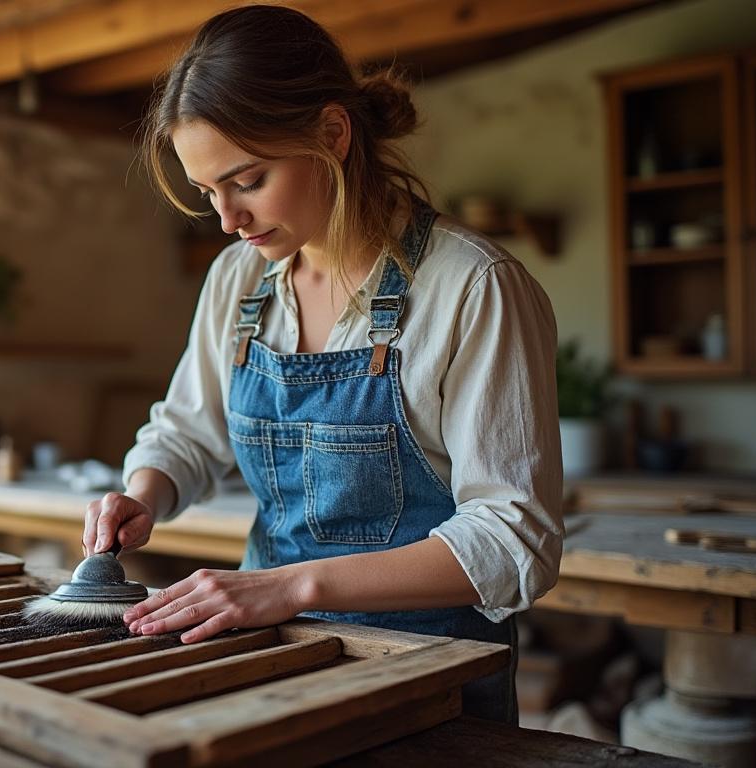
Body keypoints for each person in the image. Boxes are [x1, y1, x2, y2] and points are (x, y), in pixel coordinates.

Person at [80, 5, 563, 724]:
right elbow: (187, 432)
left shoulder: (472, 287)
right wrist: (144, 495)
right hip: (267, 665)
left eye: (247, 180)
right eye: (208, 192)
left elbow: (511, 538)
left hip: (428, 684)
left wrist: (290, 586)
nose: (227, 221)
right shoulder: (239, 282)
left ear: (332, 135)